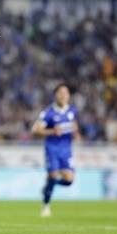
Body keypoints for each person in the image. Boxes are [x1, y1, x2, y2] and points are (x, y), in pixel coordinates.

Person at [32, 84, 80, 217]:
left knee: (69, 180)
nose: (64, 95)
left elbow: (74, 125)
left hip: (66, 150)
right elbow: (36, 130)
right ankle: (46, 204)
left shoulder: (72, 111)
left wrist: (76, 133)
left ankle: (48, 185)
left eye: (66, 92)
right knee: (53, 175)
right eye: (61, 92)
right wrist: (52, 131)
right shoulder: (48, 113)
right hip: (52, 149)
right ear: (56, 95)